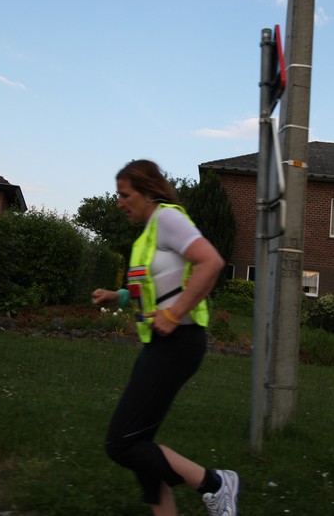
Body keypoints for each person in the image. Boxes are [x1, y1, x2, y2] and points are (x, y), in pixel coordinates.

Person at [91, 159, 239, 516]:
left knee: (122, 443)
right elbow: (154, 289)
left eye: (124, 194)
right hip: (161, 344)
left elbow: (211, 262)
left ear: (146, 192)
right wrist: (118, 296)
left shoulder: (168, 219)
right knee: (140, 443)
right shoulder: (148, 235)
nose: (119, 203)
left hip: (179, 343)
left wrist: (174, 314)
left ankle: (216, 484)